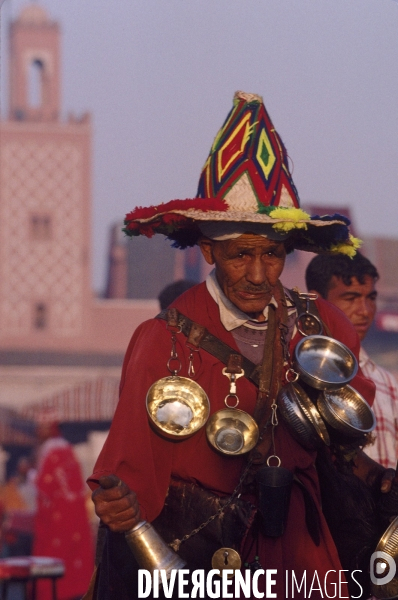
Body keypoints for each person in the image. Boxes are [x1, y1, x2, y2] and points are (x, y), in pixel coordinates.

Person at [88, 92, 397, 600]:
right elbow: (127, 468)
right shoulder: (160, 340)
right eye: (240, 255)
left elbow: (343, 447)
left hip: (303, 555)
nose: (258, 274)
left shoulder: (322, 326)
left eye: (272, 255)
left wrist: (379, 481)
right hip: (202, 559)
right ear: (208, 249)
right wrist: (118, 503)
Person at [305, 251, 398, 469]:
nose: (364, 311)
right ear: (317, 301)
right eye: (351, 298)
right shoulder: (297, 372)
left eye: (371, 298)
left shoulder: (387, 383)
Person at [33, 413, 94, 600]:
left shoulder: (51, 452)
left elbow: (44, 487)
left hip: (56, 519)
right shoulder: (68, 451)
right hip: (74, 517)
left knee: (52, 559)